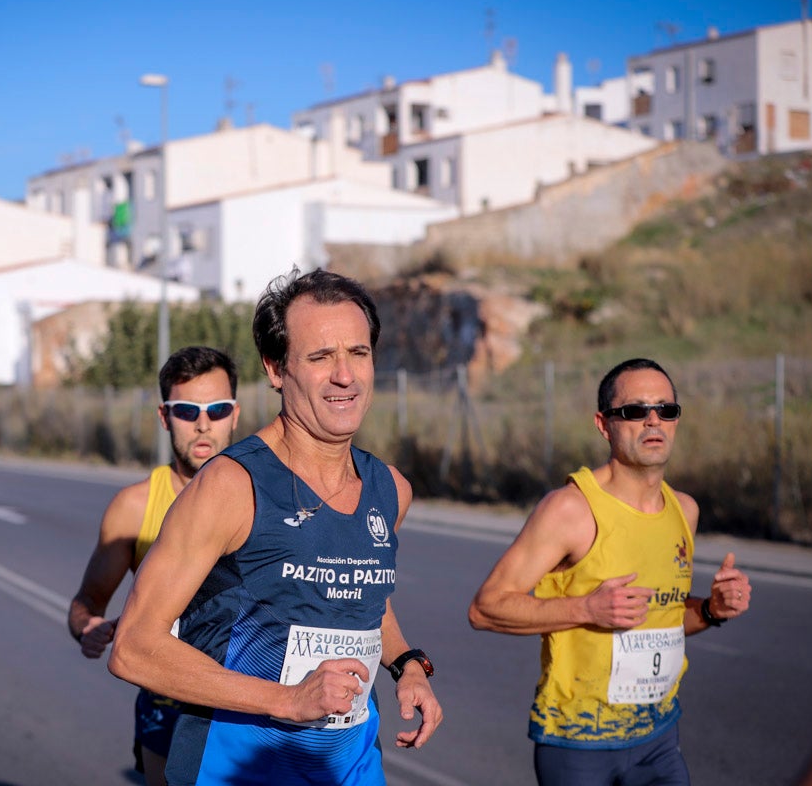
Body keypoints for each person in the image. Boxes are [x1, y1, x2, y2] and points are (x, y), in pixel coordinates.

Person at [109, 269, 442, 786]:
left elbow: (359, 596)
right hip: (236, 768)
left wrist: (407, 665)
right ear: (276, 368)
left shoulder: (391, 488)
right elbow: (133, 646)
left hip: (349, 766)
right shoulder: (230, 485)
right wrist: (287, 700)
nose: (345, 376)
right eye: (319, 357)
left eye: (358, 353)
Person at [468, 358, 752, 785]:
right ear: (604, 425)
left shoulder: (685, 511)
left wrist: (713, 610)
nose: (652, 421)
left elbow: (661, 620)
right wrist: (587, 608)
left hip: (659, 738)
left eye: (666, 410)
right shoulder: (570, 509)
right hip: (578, 744)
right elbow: (485, 609)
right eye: (635, 411)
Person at [68, 345, 242, 786]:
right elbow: (86, 600)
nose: (204, 424)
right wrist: (88, 626)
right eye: (187, 411)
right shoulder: (134, 506)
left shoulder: (266, 497)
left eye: (217, 409)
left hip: (249, 700)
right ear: (165, 417)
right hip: (167, 704)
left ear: (235, 415)